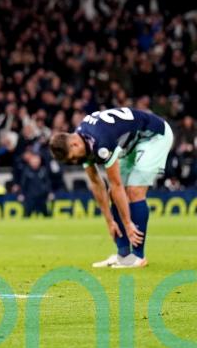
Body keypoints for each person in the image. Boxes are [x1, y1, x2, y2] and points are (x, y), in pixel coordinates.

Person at [49, 107, 173, 268]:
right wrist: (109, 221)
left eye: (73, 158)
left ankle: (138, 256)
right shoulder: (81, 138)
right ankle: (124, 256)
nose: (75, 162)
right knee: (113, 194)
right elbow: (96, 183)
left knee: (134, 191)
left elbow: (116, 184)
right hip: (133, 141)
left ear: (73, 144)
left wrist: (128, 223)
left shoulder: (101, 143)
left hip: (154, 137)